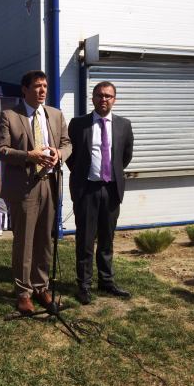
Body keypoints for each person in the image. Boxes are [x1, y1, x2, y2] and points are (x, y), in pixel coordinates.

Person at [0, 70, 72, 314]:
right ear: (25, 89)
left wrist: (59, 154)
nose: (42, 90)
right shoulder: (10, 116)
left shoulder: (55, 115)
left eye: (45, 86)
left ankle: (41, 287)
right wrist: (29, 156)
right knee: (25, 242)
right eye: (37, 86)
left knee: (44, 240)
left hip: (49, 184)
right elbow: (1, 150)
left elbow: (67, 143)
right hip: (24, 188)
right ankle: (23, 293)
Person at [66, 81, 134, 304]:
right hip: (87, 189)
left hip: (111, 189)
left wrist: (112, 173)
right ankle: (84, 285)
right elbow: (71, 157)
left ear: (114, 99)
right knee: (85, 239)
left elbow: (125, 156)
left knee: (107, 238)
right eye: (99, 95)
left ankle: (106, 281)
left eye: (108, 96)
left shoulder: (124, 125)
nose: (103, 99)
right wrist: (83, 174)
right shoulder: (78, 124)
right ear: (93, 98)